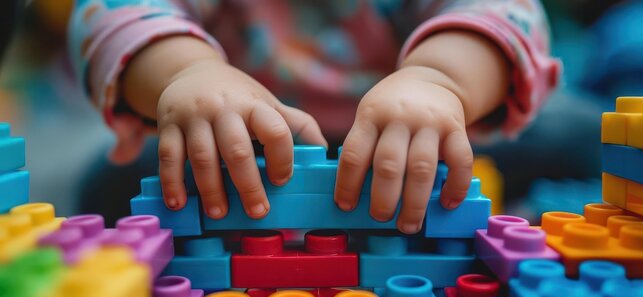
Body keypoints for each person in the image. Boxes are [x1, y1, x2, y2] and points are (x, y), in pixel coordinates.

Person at [70, 0, 559, 234]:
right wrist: (185, 71)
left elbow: (506, 12)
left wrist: (441, 79)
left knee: (569, 136)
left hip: (417, 132)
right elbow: (112, 11)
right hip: (238, 137)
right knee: (117, 182)